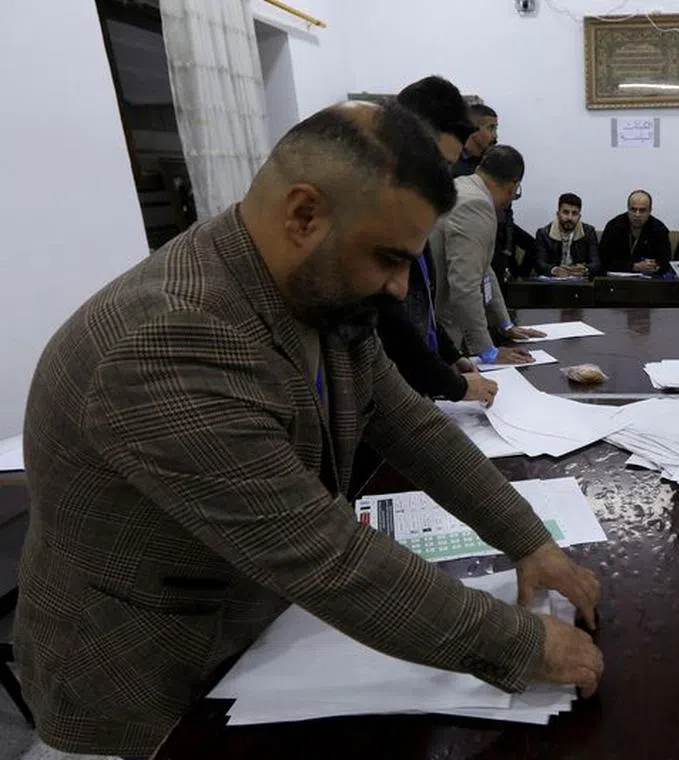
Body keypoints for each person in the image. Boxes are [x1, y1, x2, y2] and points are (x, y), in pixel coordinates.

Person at [14, 102, 603, 757]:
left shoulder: (311, 284)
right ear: (302, 214)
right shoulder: (168, 341)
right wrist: (521, 643)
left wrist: (528, 541)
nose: (399, 285)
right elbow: (323, 555)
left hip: (253, 634)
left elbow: (409, 423)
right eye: (388, 256)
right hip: (141, 688)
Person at [368, 75, 497, 406]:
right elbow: (389, 323)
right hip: (386, 394)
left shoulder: (414, 207)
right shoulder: (370, 211)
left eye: (448, 166)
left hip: (419, 391)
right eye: (436, 161)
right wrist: (455, 385)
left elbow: (420, 303)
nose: (440, 178)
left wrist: (451, 356)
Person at [433, 144, 545, 364]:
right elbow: (465, 286)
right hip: (439, 331)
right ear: (514, 186)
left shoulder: (463, 186)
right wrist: (488, 351)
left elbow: (484, 270)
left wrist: (505, 324)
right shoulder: (476, 205)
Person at [453, 104, 536, 282]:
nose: (495, 136)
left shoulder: (492, 160)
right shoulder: (455, 167)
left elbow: (507, 208)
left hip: (499, 229)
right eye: (491, 128)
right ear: (474, 129)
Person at [598, 190, 671, 275]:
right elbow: (603, 260)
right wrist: (633, 266)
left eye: (642, 210)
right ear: (628, 209)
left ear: (650, 211)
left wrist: (654, 266)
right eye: (633, 209)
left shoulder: (659, 229)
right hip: (617, 279)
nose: (637, 214)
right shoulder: (614, 226)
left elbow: (665, 264)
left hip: (648, 281)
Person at [534, 192, 602, 277]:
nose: (570, 218)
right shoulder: (543, 234)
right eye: (566, 212)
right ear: (558, 214)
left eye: (574, 213)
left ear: (579, 216)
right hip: (553, 281)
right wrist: (554, 270)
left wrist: (584, 269)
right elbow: (539, 263)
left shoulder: (589, 232)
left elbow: (596, 263)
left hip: (580, 281)